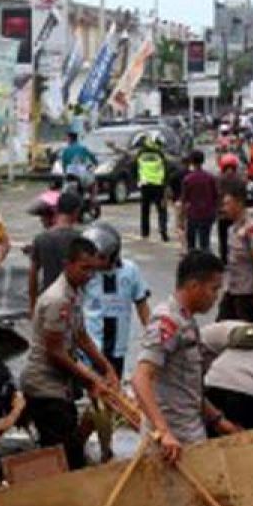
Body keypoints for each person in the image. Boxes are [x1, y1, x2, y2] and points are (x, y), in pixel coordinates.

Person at [130, 250, 246, 506]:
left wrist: (217, 418)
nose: (216, 296)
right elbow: (141, 379)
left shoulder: (186, 322)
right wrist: (163, 432)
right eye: (213, 288)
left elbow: (185, 387)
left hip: (189, 437)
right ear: (194, 285)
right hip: (172, 447)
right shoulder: (166, 322)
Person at [20, 238, 119, 471]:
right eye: (84, 268)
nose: (89, 275)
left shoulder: (75, 292)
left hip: (59, 385)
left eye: (93, 269)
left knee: (68, 452)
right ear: (68, 264)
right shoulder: (58, 299)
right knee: (66, 459)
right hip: (44, 386)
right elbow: (55, 352)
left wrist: (106, 367)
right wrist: (91, 381)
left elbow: (81, 336)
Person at [82, 222, 151, 377]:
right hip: (91, 342)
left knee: (113, 384)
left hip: (118, 344)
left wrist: (151, 334)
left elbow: (142, 304)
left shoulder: (130, 271)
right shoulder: (86, 273)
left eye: (100, 257)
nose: (95, 261)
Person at [217, 183, 253, 322]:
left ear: (239, 203)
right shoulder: (231, 229)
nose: (224, 208)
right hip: (232, 288)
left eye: (228, 204)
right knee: (221, 326)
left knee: (243, 333)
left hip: (246, 291)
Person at [29, 191, 83, 310]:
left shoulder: (40, 239)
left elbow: (33, 275)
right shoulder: (81, 239)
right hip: (73, 302)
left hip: (48, 300)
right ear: (76, 212)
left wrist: (32, 306)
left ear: (57, 210)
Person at [181, 150, 217, 252]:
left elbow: (184, 200)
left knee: (191, 244)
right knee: (205, 242)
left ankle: (192, 263)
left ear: (191, 162)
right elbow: (215, 196)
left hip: (193, 214)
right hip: (208, 213)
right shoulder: (210, 178)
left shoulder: (188, 179)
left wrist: (181, 218)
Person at [135, 136, 169, 242]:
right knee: (162, 210)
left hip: (145, 185)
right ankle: (163, 229)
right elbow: (166, 169)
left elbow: (136, 166)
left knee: (145, 211)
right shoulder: (160, 154)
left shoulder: (141, 153)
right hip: (159, 184)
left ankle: (145, 233)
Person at [215, 153, 245, 260]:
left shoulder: (218, 179)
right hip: (236, 214)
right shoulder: (240, 180)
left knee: (223, 238)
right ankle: (235, 257)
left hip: (222, 214)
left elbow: (215, 196)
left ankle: (224, 259)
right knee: (237, 238)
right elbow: (243, 198)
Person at [59, 131, 98, 195]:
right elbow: (93, 159)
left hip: (70, 174)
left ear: (70, 139)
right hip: (81, 173)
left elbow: (64, 164)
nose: (67, 140)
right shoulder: (83, 148)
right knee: (94, 183)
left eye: (67, 139)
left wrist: (65, 173)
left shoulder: (66, 150)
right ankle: (93, 200)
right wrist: (95, 165)